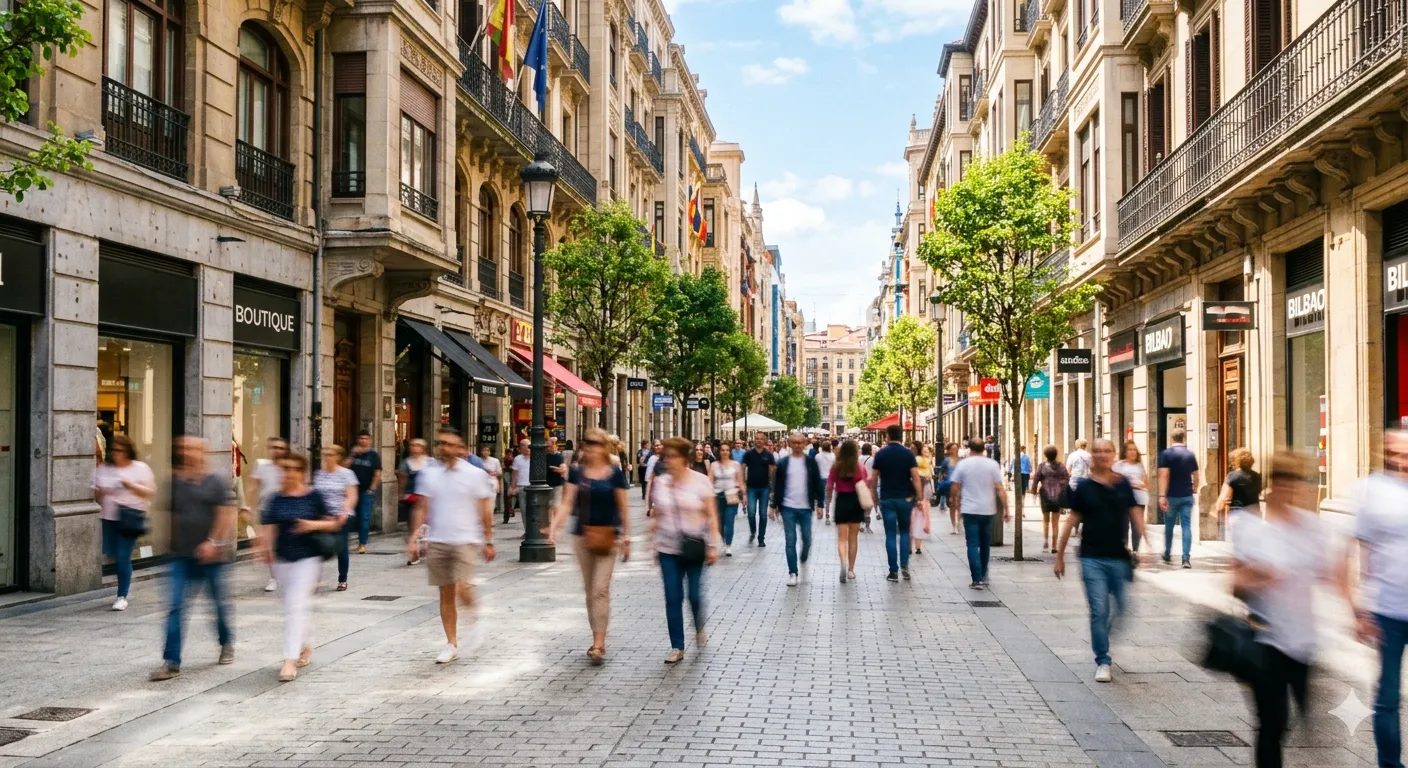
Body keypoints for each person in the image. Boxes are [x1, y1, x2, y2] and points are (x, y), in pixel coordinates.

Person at [1232, 451, 1344, 767]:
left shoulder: (1313, 528)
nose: (1290, 490)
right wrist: (1257, 575)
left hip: (1303, 642)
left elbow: (1333, 572)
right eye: (1283, 482)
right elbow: (1234, 584)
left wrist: (1354, 610)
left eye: (1296, 482)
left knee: (1301, 719)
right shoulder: (1250, 526)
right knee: (1272, 724)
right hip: (1264, 639)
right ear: (1271, 486)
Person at [1053, 438, 1146, 684]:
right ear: (1091, 455)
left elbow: (1135, 512)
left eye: (1107, 451)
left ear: (1114, 455)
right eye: (1098, 451)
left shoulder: (1123, 484)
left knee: (1123, 608)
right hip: (1091, 557)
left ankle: (1103, 637)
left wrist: (1146, 542)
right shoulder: (1083, 487)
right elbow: (1072, 520)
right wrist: (1059, 556)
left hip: (1118, 557)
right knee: (1098, 610)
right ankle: (1103, 660)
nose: (1103, 455)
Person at [150, 437, 237, 681]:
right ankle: (171, 662)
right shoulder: (175, 481)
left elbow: (226, 516)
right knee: (175, 607)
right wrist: (169, 545)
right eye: (183, 449)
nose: (187, 453)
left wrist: (214, 543)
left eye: (192, 449)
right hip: (181, 556)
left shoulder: (216, 481)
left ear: (203, 452)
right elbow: (172, 516)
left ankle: (226, 642)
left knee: (219, 606)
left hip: (213, 558)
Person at [408, 427, 497, 664]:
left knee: (462, 587)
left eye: (449, 443)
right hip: (438, 540)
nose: (444, 448)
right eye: (441, 443)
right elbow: (422, 507)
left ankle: (477, 617)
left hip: (465, 540)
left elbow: (485, 509)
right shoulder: (429, 473)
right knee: (445, 593)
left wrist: (488, 539)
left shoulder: (474, 474)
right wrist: (414, 537)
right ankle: (451, 643)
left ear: (460, 448)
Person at [1348, 429, 1408, 768]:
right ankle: (1390, 763)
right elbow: (1364, 549)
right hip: (1387, 609)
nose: (1401, 460)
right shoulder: (1372, 489)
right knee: (1387, 697)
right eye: (1395, 452)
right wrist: (1361, 608)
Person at [547, 428, 630, 663]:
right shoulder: (577, 473)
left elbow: (623, 507)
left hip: (608, 537)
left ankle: (599, 643)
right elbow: (566, 504)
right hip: (582, 537)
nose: (591, 447)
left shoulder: (615, 474)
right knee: (589, 591)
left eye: (595, 443)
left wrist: (627, 537)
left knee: (600, 589)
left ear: (604, 446)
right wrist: (554, 528)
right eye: (588, 443)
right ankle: (596, 634)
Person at [259, 450, 340, 682]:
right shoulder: (275, 498)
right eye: (285, 469)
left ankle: (289, 660)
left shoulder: (313, 497)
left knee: (295, 605)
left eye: (295, 469)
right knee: (293, 606)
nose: (289, 473)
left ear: (302, 473)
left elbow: (333, 524)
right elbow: (268, 527)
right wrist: (264, 549)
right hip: (282, 560)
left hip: (308, 559)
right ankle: (305, 644)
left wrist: (311, 525)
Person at [649, 436, 721, 664]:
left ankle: (699, 627)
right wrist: (653, 543)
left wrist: (712, 545)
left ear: (684, 458)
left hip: (694, 545)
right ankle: (677, 646)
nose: (668, 460)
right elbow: (658, 514)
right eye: (665, 456)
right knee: (672, 596)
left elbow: (711, 515)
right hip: (667, 548)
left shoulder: (700, 481)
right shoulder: (661, 482)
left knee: (694, 596)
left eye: (672, 456)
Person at [93, 434, 156, 611]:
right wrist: (103, 492)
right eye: (114, 450)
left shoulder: (140, 468)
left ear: (128, 451)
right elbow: (97, 496)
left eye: (120, 450)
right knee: (111, 553)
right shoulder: (104, 469)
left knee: (122, 557)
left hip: (130, 517)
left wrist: (130, 485)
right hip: (109, 518)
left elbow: (150, 492)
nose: (116, 453)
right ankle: (123, 584)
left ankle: (122, 596)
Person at [868, 424, 928, 583]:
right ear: (901, 436)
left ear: (887, 435)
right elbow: (915, 477)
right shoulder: (908, 454)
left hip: (887, 498)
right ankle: (904, 565)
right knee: (904, 532)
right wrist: (920, 498)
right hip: (905, 499)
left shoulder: (881, 454)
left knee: (890, 534)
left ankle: (893, 571)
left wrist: (874, 496)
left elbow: (874, 478)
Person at [950, 439, 1008, 589]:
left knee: (972, 544)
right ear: (984, 449)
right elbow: (1000, 488)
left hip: (969, 509)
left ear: (969, 449)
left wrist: (954, 501)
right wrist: (1007, 508)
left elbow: (955, 486)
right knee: (984, 544)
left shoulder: (963, 464)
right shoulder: (992, 464)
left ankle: (977, 579)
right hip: (987, 510)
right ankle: (982, 573)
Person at [770, 433, 824, 586]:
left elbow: (818, 484)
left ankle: (804, 555)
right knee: (790, 541)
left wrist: (820, 504)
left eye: (800, 443)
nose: (797, 445)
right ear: (789, 443)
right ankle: (793, 572)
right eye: (794, 442)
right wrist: (773, 506)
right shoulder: (783, 463)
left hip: (806, 507)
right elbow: (778, 486)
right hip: (788, 507)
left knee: (807, 539)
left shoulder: (810, 462)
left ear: (805, 443)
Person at [314, 445, 359, 591]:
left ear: (338, 456)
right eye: (325, 454)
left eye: (331, 454)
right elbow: (316, 497)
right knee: (317, 547)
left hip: (342, 516)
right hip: (323, 516)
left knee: (341, 547)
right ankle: (315, 579)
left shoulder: (347, 474)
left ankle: (342, 579)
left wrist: (344, 513)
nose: (327, 457)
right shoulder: (319, 474)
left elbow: (352, 495)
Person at [249, 437, 289, 592]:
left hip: (286, 511)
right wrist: (249, 505)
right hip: (267, 510)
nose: (277, 450)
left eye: (280, 448)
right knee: (269, 547)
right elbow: (253, 487)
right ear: (269, 449)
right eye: (274, 447)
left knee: (285, 545)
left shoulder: (289, 467)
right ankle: (274, 578)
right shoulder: (261, 465)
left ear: (285, 450)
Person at [1157, 428, 1200, 567]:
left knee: (1169, 526)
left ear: (1171, 438)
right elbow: (1197, 475)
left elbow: (1164, 475)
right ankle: (1186, 558)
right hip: (1187, 495)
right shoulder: (1190, 454)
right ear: (1184, 438)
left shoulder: (1166, 454)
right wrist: (1194, 488)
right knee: (1186, 526)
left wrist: (1162, 495)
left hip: (1171, 496)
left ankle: (1168, 553)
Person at [827, 439, 868, 583]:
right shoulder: (860, 467)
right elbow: (864, 484)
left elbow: (829, 485)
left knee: (841, 538)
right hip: (855, 501)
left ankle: (843, 564)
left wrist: (828, 501)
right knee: (853, 539)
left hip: (842, 501)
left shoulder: (836, 467)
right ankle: (851, 570)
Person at [343, 431, 381, 555]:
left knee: (364, 517)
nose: (363, 441)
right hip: (351, 490)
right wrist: (352, 455)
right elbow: (343, 467)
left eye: (366, 438)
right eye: (361, 438)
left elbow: (377, 473)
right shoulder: (353, 453)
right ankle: (343, 543)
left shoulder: (373, 455)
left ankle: (362, 543)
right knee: (348, 516)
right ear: (358, 440)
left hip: (366, 491)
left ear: (370, 440)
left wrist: (372, 489)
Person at [398, 439, 432, 564]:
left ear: (423, 448)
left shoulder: (431, 462)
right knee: (412, 526)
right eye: (412, 445)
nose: (414, 447)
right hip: (411, 497)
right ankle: (414, 552)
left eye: (418, 445)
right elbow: (402, 479)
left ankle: (423, 544)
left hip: (427, 497)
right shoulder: (406, 463)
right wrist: (400, 494)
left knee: (425, 525)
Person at [1112, 441, 1148, 552]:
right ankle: (1125, 548)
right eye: (1130, 449)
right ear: (1125, 452)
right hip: (1123, 499)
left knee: (1136, 525)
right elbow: (1114, 481)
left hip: (1139, 499)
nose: (1133, 452)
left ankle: (1135, 549)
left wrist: (1131, 485)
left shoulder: (1140, 466)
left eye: (1134, 449)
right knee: (1123, 524)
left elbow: (1146, 484)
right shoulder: (1119, 465)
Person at [1032, 446, 1070, 553]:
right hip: (1057, 495)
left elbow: (1036, 479)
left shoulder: (1042, 466)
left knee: (1045, 520)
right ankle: (1054, 546)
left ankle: (1045, 542)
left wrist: (1034, 491)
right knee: (1055, 521)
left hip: (1045, 494)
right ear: (1056, 454)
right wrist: (1061, 487)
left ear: (1045, 455)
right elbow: (1067, 479)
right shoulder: (1061, 466)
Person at [708, 445, 743, 556]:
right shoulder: (714, 465)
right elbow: (710, 481)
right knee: (720, 523)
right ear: (719, 452)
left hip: (731, 495)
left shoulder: (736, 465)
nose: (725, 452)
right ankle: (724, 539)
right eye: (722, 450)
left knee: (729, 521)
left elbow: (740, 481)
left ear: (730, 452)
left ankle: (728, 545)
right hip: (717, 496)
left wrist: (743, 494)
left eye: (727, 450)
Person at [741, 435, 776, 547]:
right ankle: (753, 531)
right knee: (751, 513)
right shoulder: (749, 454)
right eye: (757, 439)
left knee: (763, 514)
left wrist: (773, 488)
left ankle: (761, 538)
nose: (759, 440)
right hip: (751, 488)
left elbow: (772, 472)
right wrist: (742, 483)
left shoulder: (768, 455)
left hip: (764, 488)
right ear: (754, 440)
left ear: (764, 441)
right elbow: (742, 468)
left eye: (761, 439)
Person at [1217, 447, 1261, 526]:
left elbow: (1224, 497)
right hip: (1255, 515)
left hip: (1238, 515)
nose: (1231, 463)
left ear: (1236, 461)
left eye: (1232, 461)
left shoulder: (1232, 476)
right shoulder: (1257, 476)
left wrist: (1218, 509)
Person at [911, 441, 933, 555]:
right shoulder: (923, 460)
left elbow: (916, 477)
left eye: (913, 447)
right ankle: (918, 547)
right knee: (919, 518)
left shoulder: (917, 459)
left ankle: (911, 546)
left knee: (912, 519)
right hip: (923, 491)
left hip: (916, 492)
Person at [478, 444, 504, 526]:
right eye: (483, 450)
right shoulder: (478, 461)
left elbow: (500, 472)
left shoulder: (495, 461)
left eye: (487, 450)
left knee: (492, 502)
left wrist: (494, 473)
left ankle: (490, 520)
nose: (485, 452)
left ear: (489, 452)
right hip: (481, 482)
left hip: (492, 482)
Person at [937, 442, 958, 535]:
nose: (955, 450)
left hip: (960, 485)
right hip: (950, 485)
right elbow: (941, 471)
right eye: (953, 448)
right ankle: (954, 526)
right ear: (949, 450)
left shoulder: (961, 460)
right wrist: (941, 480)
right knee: (953, 506)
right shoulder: (947, 460)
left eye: (956, 448)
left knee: (959, 505)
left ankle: (959, 522)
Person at [509, 439, 532, 523]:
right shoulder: (517, 459)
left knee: (533, 510)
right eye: (524, 445)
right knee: (524, 510)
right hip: (521, 486)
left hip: (533, 487)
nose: (526, 448)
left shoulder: (535, 457)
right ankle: (527, 530)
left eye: (528, 446)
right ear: (520, 448)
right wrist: (512, 487)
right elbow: (515, 474)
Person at [814, 440, 836, 525]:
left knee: (820, 496)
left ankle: (820, 511)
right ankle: (827, 515)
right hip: (830, 479)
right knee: (828, 498)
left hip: (820, 478)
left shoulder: (817, 456)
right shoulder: (833, 456)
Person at [859, 443, 876, 533]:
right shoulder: (872, 459)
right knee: (869, 505)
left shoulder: (858, 459)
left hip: (860, 483)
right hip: (870, 483)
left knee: (861, 503)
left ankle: (861, 523)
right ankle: (867, 525)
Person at [546, 438, 567, 506]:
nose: (549, 447)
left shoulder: (559, 456)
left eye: (551, 445)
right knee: (548, 505)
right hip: (547, 484)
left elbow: (562, 470)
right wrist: (557, 469)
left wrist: (553, 468)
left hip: (557, 484)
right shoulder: (545, 456)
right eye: (548, 446)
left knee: (556, 505)